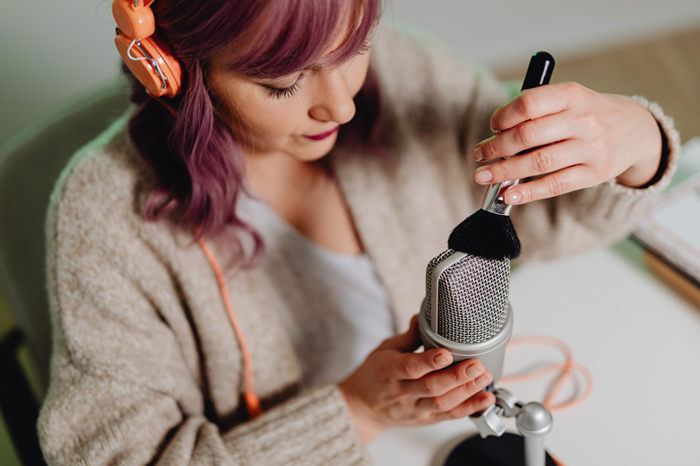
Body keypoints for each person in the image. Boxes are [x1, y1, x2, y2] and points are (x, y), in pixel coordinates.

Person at [38, 0, 679, 464]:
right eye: (283, 83)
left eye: (355, 46)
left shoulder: (402, 69)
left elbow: (556, 220)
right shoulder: (102, 216)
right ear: (172, 70)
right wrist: (360, 410)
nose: (341, 104)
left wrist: (634, 144)